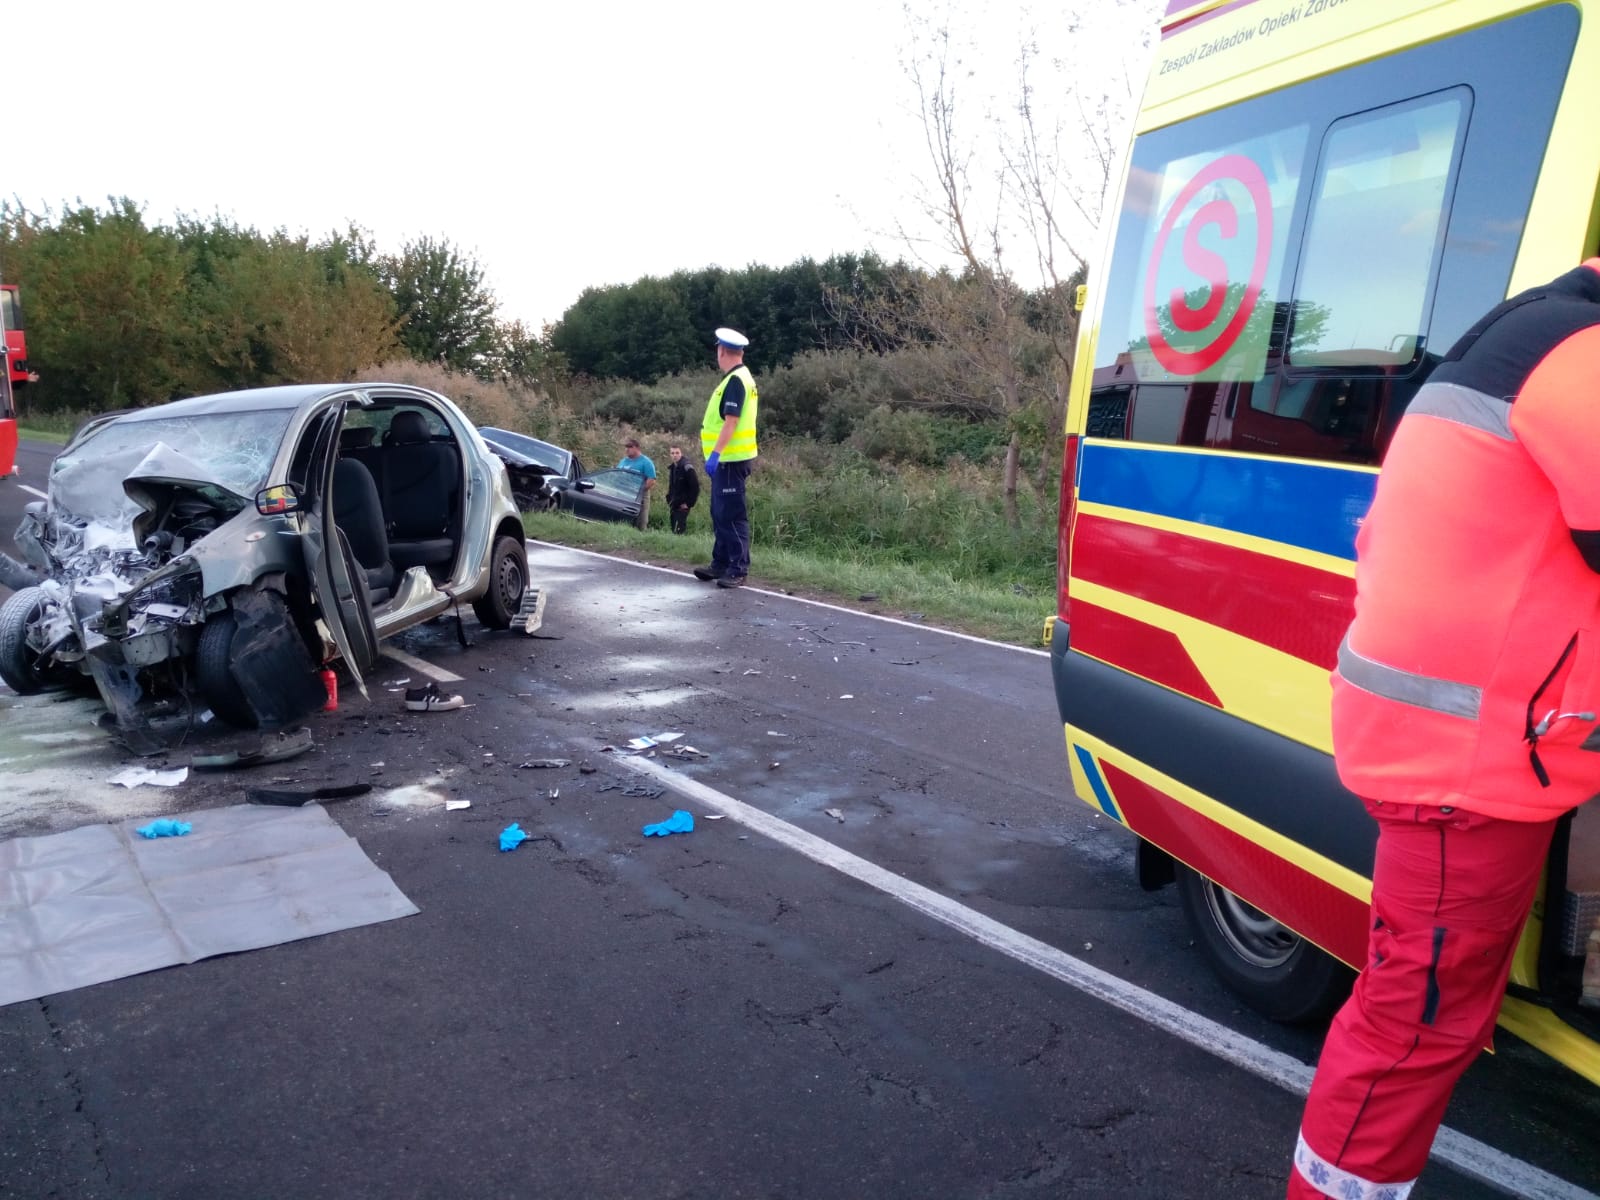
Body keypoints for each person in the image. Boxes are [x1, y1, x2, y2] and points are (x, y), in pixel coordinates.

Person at [1288, 259, 1600, 1198]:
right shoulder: (1579, 354)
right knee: (1414, 1027)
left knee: (1420, 1017)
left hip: (1456, 747)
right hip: (1467, 766)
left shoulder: (1531, 332)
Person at [692, 327, 759, 588]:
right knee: (719, 513)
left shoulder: (735, 381)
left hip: (730, 459)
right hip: (727, 460)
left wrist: (716, 454)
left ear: (721, 351)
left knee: (731, 515)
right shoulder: (739, 377)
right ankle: (720, 563)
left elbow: (731, 421)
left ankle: (738, 569)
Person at [616, 437, 656, 531]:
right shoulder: (623, 461)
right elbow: (617, 474)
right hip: (623, 492)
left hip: (639, 495)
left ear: (637, 448)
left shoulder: (646, 462)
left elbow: (651, 480)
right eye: (626, 447)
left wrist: (639, 491)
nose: (627, 449)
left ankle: (641, 534)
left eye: (630, 447)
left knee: (641, 520)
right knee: (622, 518)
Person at [664, 444, 700, 535]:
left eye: (677, 453)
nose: (675, 455)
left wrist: (689, 503)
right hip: (674, 503)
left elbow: (695, 487)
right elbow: (672, 486)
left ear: (681, 453)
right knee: (674, 529)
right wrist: (669, 498)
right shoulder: (673, 467)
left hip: (683, 504)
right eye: (672, 453)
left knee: (679, 531)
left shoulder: (687, 467)